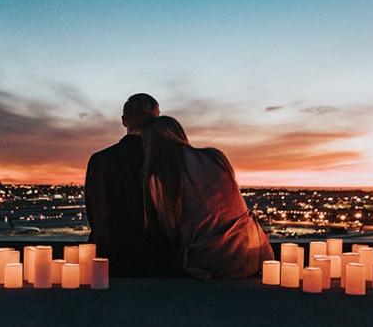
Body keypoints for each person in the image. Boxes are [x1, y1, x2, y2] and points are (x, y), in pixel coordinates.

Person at [142, 116, 274, 280]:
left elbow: (170, 230)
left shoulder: (161, 179)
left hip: (213, 263)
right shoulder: (215, 156)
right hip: (256, 252)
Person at [84, 93, 170, 276]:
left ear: (124, 121)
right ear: (156, 119)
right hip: (153, 260)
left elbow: (93, 214)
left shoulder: (98, 160)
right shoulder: (163, 159)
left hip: (106, 258)